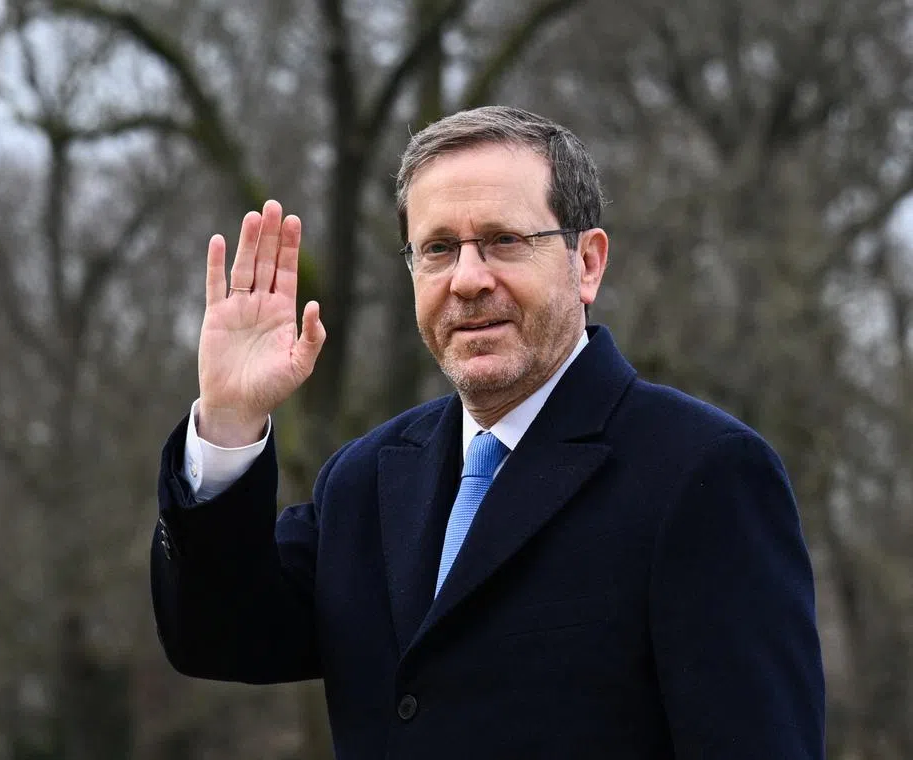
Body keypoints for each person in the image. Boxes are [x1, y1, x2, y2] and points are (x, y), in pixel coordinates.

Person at [151, 106, 825, 758]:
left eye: (504, 240)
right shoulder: (365, 479)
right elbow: (218, 637)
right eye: (439, 249)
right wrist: (232, 420)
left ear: (586, 263)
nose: (469, 280)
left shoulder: (704, 475)